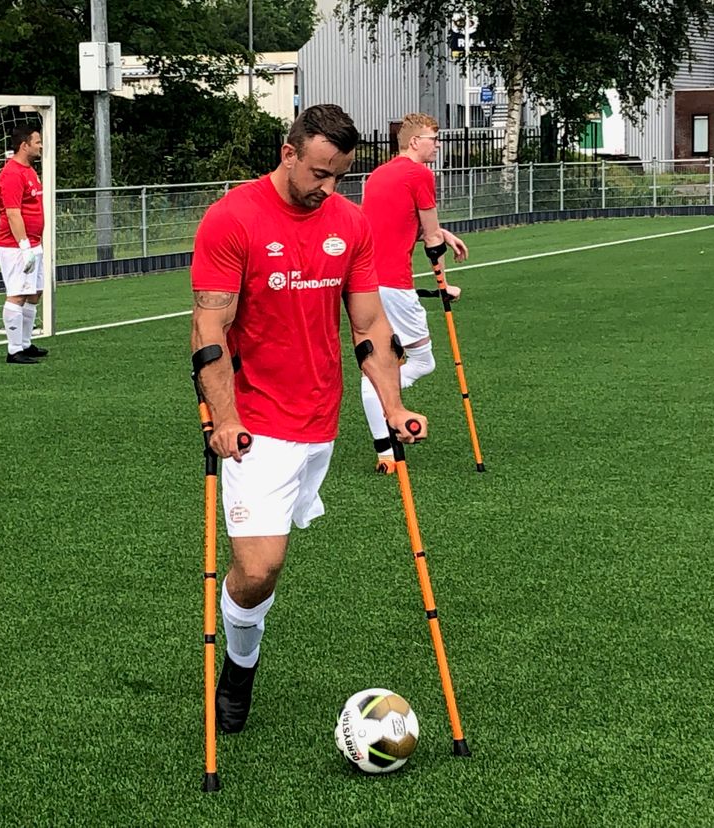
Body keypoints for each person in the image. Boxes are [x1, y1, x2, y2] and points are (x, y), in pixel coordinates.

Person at [190, 104, 429, 733]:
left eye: (339, 176)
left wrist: (395, 404)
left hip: (320, 416)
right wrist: (222, 416)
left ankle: (243, 648)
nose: (328, 187)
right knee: (259, 568)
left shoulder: (349, 223)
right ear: (288, 151)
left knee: (270, 564)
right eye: (320, 172)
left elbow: (370, 324)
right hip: (255, 422)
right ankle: (240, 667)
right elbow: (209, 326)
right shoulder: (231, 219)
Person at [360, 113, 469, 474]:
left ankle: (385, 452)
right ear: (413, 142)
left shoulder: (379, 175)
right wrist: (444, 285)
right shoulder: (420, 174)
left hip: (365, 282)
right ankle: (385, 419)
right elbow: (432, 238)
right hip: (393, 282)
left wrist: (441, 232)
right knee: (422, 361)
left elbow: (398, 224)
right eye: (432, 139)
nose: (436, 145)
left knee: (380, 359)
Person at [0, 124, 49, 364]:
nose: (40, 146)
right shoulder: (12, 174)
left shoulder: (29, 171)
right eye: (37, 142)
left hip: (33, 243)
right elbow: (13, 213)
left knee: (34, 293)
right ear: (24, 144)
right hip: (16, 246)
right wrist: (24, 245)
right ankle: (14, 349)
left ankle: (25, 344)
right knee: (17, 294)